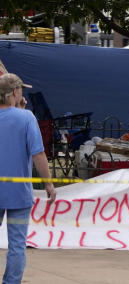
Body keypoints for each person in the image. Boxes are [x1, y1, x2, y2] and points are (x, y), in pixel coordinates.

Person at [0, 73, 56, 284]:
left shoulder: (23, 116)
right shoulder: (27, 118)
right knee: (16, 244)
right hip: (18, 193)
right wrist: (48, 183)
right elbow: (38, 153)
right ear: (14, 92)